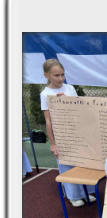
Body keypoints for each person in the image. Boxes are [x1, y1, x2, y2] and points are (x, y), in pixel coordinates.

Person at [40, 59, 96, 207]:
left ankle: (86, 192)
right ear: (46, 75)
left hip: (77, 132)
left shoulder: (70, 88)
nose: (60, 78)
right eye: (56, 75)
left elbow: (79, 110)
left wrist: (67, 101)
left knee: (83, 162)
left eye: (62, 74)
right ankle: (73, 196)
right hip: (61, 136)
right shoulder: (45, 94)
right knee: (66, 165)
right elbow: (48, 121)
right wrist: (53, 144)